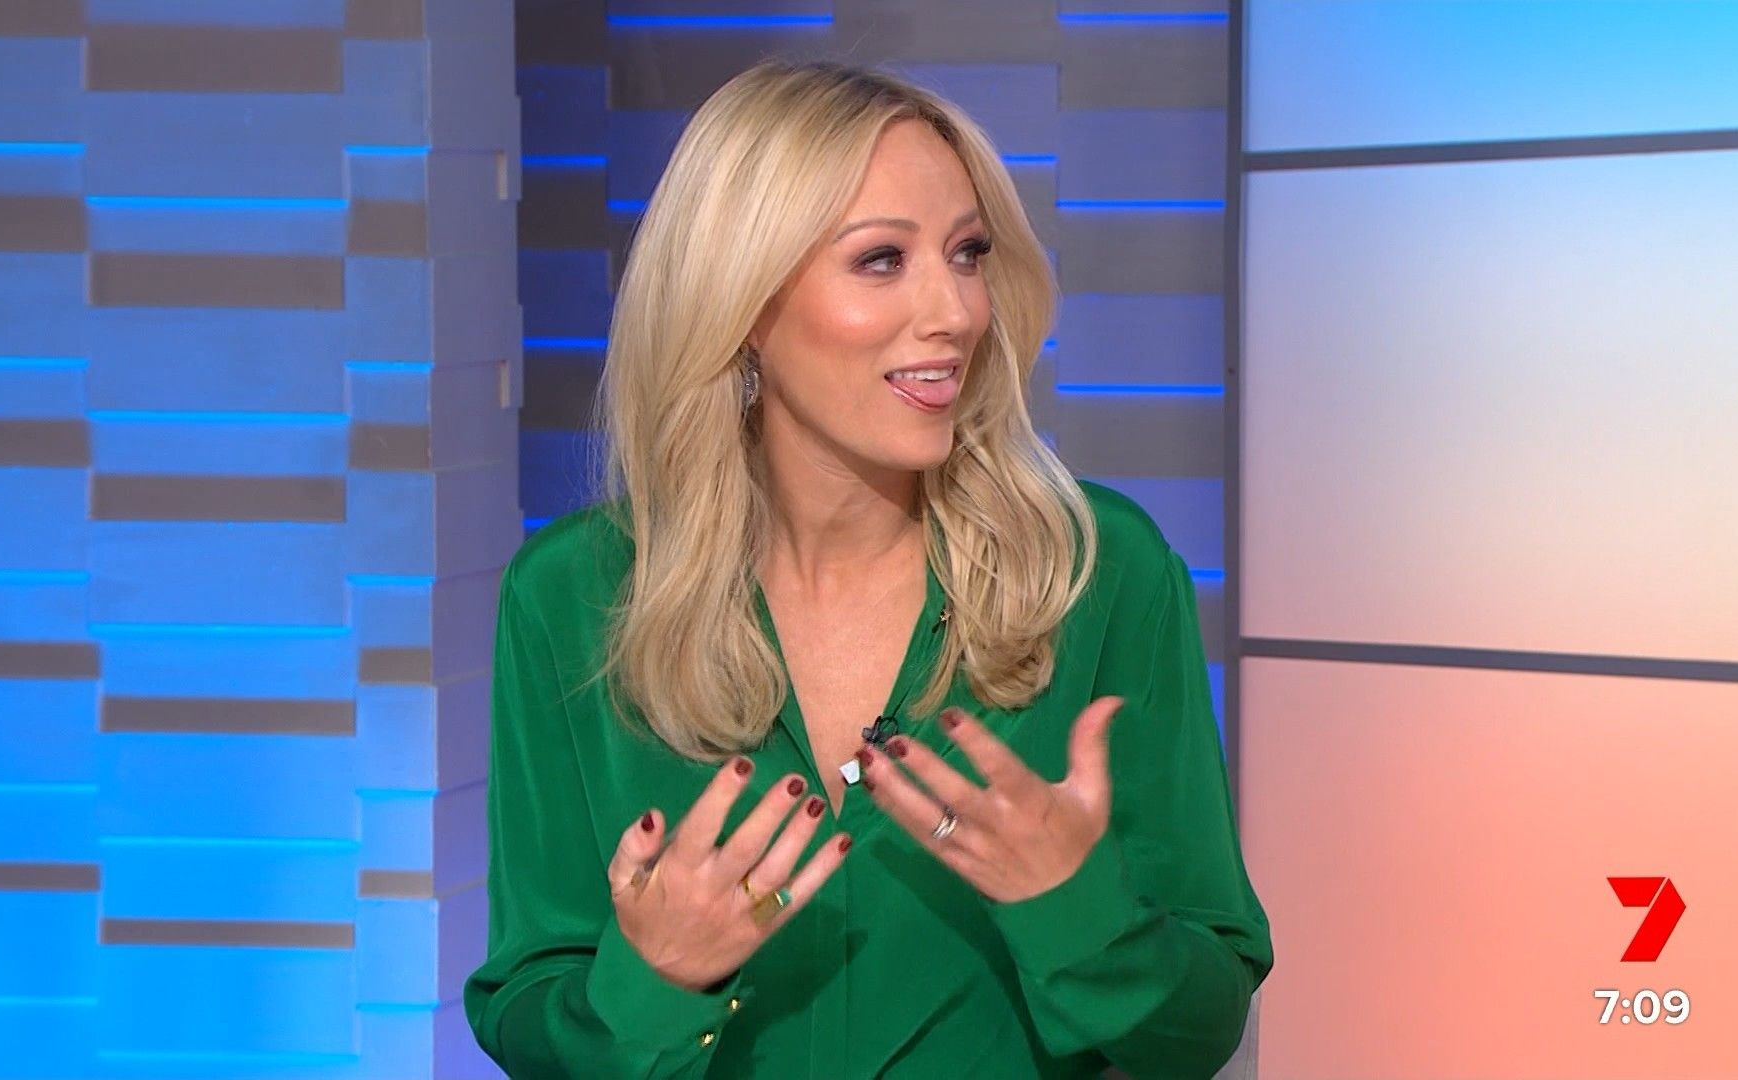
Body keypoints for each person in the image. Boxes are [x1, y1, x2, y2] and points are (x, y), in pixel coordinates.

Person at [462, 59, 1273, 1079]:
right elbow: (529, 1010)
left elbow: (1198, 1032)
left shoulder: (1098, 574)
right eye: (882, 259)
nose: (956, 311)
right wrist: (654, 979)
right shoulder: (570, 597)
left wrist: (1076, 909)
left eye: (968, 254)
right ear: (743, 301)